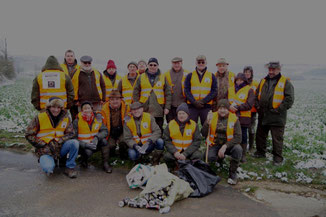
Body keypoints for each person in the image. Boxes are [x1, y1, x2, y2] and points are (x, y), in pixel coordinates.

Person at [25, 97, 79, 178]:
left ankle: (70, 167)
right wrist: (43, 144)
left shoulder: (66, 118)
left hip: (60, 148)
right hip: (45, 150)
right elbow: (29, 134)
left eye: (58, 107)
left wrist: (60, 140)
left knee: (75, 143)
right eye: (53, 107)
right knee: (49, 168)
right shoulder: (40, 117)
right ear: (49, 107)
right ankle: (50, 161)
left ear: (61, 108)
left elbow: (71, 133)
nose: (56, 110)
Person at [254, 62, 294, 165]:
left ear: (279, 69)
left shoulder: (285, 82)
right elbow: (256, 95)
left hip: (277, 116)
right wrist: (258, 106)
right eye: (270, 69)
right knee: (260, 135)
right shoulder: (263, 80)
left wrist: (278, 109)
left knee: (277, 138)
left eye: (274, 69)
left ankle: (277, 158)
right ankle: (260, 152)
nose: (271, 71)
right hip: (263, 114)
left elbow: (289, 99)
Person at [201, 99, 242, 185]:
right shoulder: (212, 116)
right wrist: (207, 123)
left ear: (228, 109)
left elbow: (238, 138)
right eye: (220, 108)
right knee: (207, 156)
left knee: (238, 149)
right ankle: (219, 160)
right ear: (217, 109)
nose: (222, 110)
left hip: (228, 145)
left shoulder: (234, 119)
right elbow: (204, 133)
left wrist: (225, 146)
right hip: (215, 144)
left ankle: (232, 173)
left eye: (225, 108)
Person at [133, 57, 172, 131]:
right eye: (151, 65)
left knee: (158, 129)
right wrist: (137, 105)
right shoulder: (141, 77)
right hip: (144, 108)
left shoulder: (163, 77)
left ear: (158, 66)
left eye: (155, 65)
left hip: (159, 109)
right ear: (147, 66)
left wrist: (167, 107)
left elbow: (168, 93)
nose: (152, 67)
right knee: (145, 129)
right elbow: (135, 92)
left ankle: (158, 141)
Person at [74, 101, 112, 173]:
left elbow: (105, 131)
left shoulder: (97, 118)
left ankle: (105, 164)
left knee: (104, 141)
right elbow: (74, 138)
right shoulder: (77, 121)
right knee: (88, 152)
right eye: (85, 109)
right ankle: (83, 161)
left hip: (95, 142)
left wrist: (97, 137)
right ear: (82, 110)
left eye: (88, 108)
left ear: (92, 109)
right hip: (83, 145)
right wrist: (85, 145)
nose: (87, 110)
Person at [163, 103, 202, 168]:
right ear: (177, 114)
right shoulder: (171, 124)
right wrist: (175, 152)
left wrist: (186, 154)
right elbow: (167, 140)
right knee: (167, 156)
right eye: (179, 113)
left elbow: (197, 141)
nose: (181, 116)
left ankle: (190, 167)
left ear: (187, 114)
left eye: (183, 113)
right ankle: (174, 167)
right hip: (176, 151)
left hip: (189, 151)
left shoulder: (194, 124)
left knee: (198, 155)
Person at [228, 73, 255, 162]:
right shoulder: (230, 89)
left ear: (244, 81)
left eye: (241, 80)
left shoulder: (249, 90)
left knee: (243, 136)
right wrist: (229, 107)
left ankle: (243, 155)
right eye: (237, 80)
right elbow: (225, 100)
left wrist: (237, 108)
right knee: (231, 135)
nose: (239, 82)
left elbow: (249, 104)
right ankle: (232, 152)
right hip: (231, 117)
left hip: (244, 117)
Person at [184, 55, 217, 125]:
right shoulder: (190, 75)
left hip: (206, 106)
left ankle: (205, 136)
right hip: (192, 106)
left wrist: (203, 101)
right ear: (196, 63)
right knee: (191, 125)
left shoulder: (211, 75)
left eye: (203, 62)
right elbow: (186, 90)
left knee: (207, 126)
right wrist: (194, 102)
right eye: (199, 62)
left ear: (206, 63)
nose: (201, 64)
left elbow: (214, 91)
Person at [101, 90, 129, 160]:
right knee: (111, 146)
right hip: (110, 132)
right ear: (109, 101)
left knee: (123, 142)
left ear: (120, 100)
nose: (115, 101)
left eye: (117, 99)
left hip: (122, 131)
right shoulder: (104, 109)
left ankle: (123, 156)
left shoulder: (126, 108)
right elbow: (102, 124)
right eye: (112, 99)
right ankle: (112, 155)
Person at [164, 57, 189, 122]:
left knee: (182, 123)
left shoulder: (187, 74)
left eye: (178, 63)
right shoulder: (166, 74)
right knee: (170, 123)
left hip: (183, 104)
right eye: (175, 63)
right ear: (172, 64)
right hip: (171, 105)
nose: (176, 65)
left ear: (181, 63)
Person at [60, 49, 80, 120]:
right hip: (63, 97)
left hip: (75, 98)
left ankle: (75, 130)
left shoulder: (80, 68)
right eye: (68, 56)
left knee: (76, 118)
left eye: (71, 56)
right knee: (62, 117)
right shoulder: (60, 67)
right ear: (65, 57)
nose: (69, 57)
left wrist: (79, 99)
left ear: (74, 57)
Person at [243, 66, 259, 151]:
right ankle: (243, 146)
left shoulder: (256, 84)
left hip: (252, 110)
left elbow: (258, 96)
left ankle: (251, 147)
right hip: (243, 110)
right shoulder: (241, 83)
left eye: (248, 72)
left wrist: (257, 105)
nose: (247, 73)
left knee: (251, 128)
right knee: (243, 128)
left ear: (251, 73)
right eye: (245, 72)